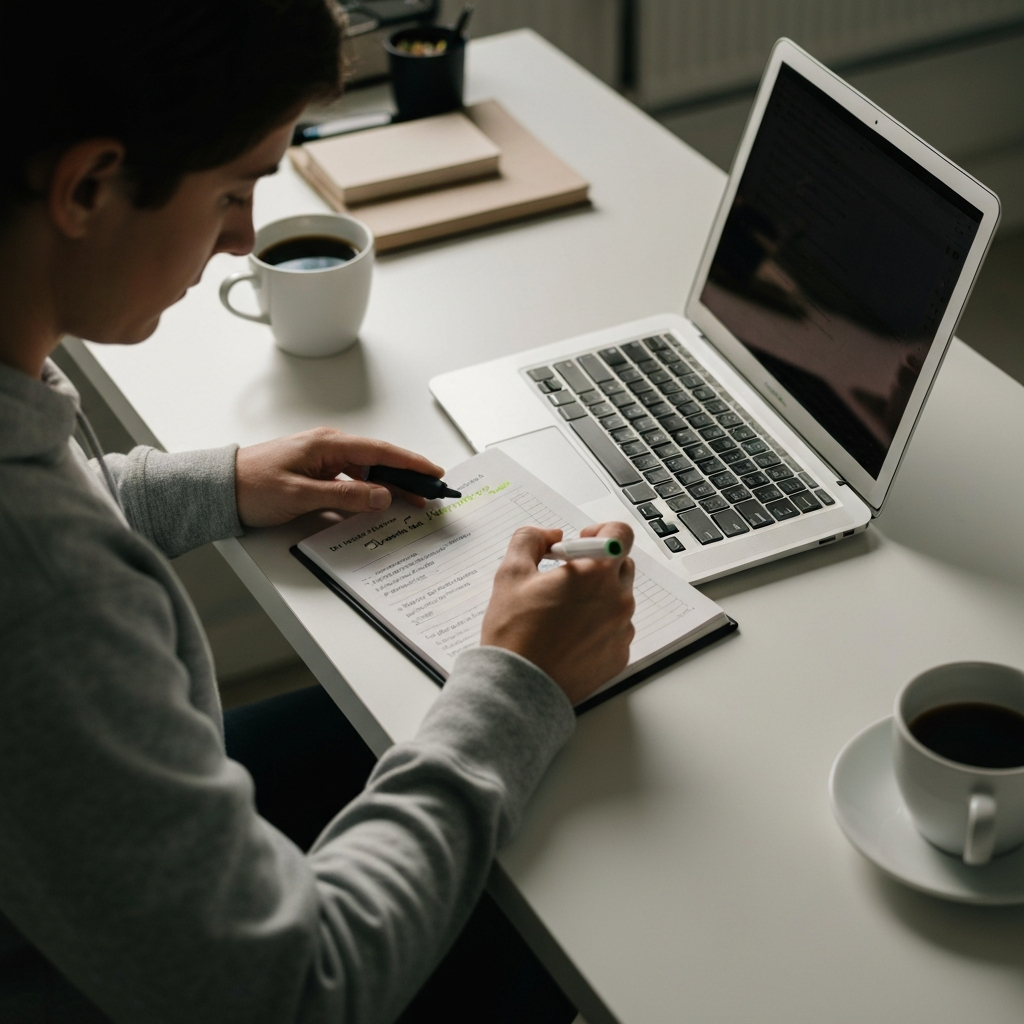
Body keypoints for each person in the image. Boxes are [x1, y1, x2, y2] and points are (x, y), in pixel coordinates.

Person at [0, 2, 636, 1022]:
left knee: (400, 736)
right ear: (86, 185)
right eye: (235, 190)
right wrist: (519, 683)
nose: (246, 236)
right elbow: (296, 993)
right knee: (595, 898)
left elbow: (51, 497)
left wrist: (223, 480)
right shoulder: (45, 591)